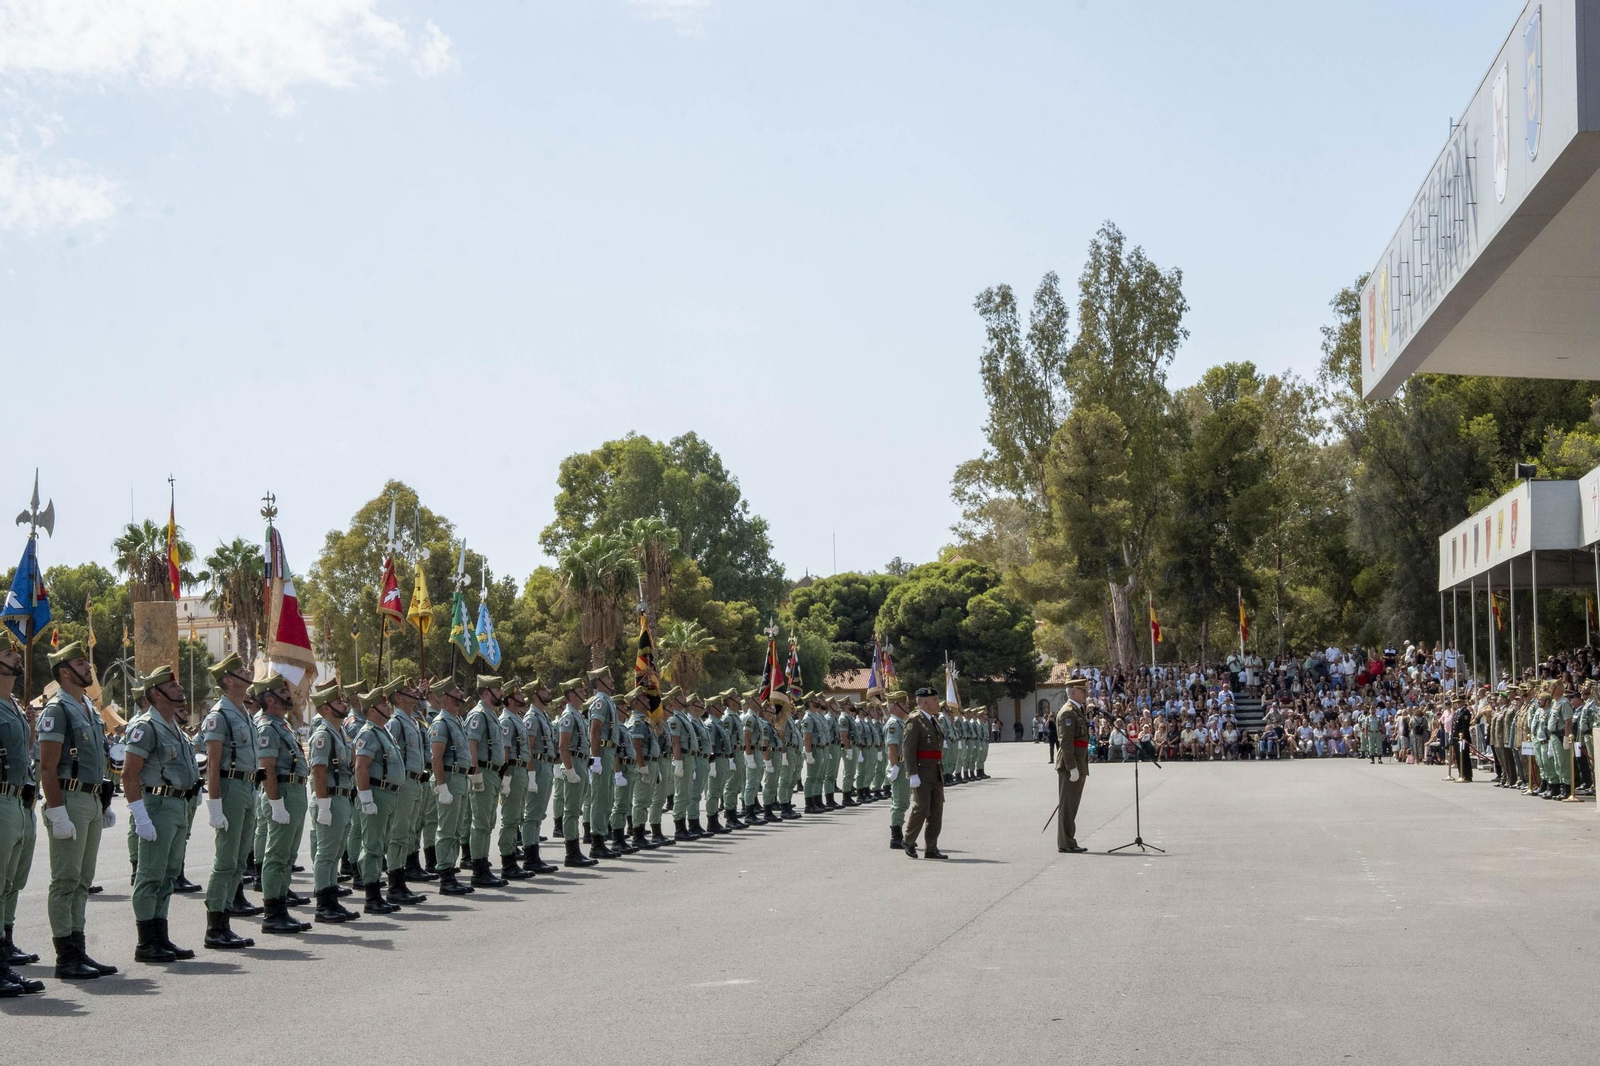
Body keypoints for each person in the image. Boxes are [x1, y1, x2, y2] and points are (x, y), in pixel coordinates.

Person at [37, 641, 118, 979]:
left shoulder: (87, 706)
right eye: (81, 664)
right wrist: (57, 812)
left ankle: (78, 948)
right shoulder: (57, 710)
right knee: (65, 880)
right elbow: (47, 767)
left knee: (83, 881)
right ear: (65, 672)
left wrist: (103, 801)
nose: (89, 668)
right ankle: (66, 957)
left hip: (91, 799)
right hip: (68, 799)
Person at [199, 652, 260, 951]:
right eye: (241, 670)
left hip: (247, 787)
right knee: (225, 860)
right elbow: (213, 764)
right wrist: (214, 805)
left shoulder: (243, 712)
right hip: (230, 787)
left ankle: (225, 920)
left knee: (238, 862)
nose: (247, 672)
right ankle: (215, 926)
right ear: (228, 680)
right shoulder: (219, 715)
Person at [0, 639, 44, 996]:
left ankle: (4, 953)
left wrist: (29, 728)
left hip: (19, 799)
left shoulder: (12, 704)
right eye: (8, 654)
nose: (17, 657)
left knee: (9, 885)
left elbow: (21, 754)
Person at [252, 674, 312, 936]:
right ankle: (272, 913)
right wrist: (276, 803)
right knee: (276, 856)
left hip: (294, 790)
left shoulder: (282, 725)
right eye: (283, 692)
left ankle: (281, 908)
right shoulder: (267, 727)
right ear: (270, 699)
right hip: (283, 792)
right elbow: (267, 768)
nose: (289, 695)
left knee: (287, 856)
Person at [306, 680, 360, 924]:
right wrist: (323, 804)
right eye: (338, 701)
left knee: (336, 852)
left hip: (343, 796)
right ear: (326, 708)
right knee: (326, 853)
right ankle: (323, 904)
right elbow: (318, 770)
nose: (344, 704)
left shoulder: (340, 733)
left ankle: (332, 899)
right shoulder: (323, 734)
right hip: (329, 797)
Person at [352, 688, 406, 914]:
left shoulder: (383, 732)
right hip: (376, 793)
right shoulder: (368, 733)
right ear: (372, 710)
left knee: (381, 844)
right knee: (373, 846)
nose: (388, 707)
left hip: (389, 794)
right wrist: (366, 797)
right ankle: (371, 897)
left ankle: (376, 894)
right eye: (383, 705)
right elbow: (361, 766)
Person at [426, 678, 475, 895]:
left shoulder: (456, 720)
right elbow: (436, 758)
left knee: (456, 830)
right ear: (446, 697)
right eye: (456, 691)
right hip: (449, 778)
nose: (461, 693)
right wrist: (442, 786)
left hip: (460, 778)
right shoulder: (441, 723)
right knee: (446, 829)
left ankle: (450, 872)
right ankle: (445, 877)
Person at [462, 675, 510, 886]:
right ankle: (478, 870)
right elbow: (471, 743)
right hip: (484, 771)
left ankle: (483, 865)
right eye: (498, 690)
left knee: (488, 822)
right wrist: (476, 773)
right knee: (481, 823)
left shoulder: (491, 714)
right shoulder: (478, 715)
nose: (501, 693)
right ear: (486, 692)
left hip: (493, 772)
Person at [556, 677, 598, 866]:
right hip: (573, 762)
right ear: (571, 694)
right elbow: (563, 745)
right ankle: (571, 853)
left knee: (576, 809)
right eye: (581, 691)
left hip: (580, 762)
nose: (584, 693)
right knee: (572, 810)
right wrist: (569, 769)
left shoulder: (577, 715)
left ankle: (575, 851)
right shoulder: (568, 716)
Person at [901, 688, 947, 860]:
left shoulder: (933, 720)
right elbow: (908, 749)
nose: (937, 702)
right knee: (921, 808)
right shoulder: (914, 720)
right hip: (921, 772)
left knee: (936, 811)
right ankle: (908, 841)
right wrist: (912, 773)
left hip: (936, 771)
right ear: (925, 702)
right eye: (935, 699)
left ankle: (931, 848)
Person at [1054, 678, 1091, 854]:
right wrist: (1071, 767)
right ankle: (1066, 842)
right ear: (1073, 692)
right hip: (1071, 763)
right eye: (1082, 691)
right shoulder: (1068, 712)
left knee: (1072, 805)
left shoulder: (1076, 710)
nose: (1085, 694)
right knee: (1068, 805)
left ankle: (1069, 840)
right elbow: (1066, 742)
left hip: (1078, 761)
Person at [883, 690, 909, 850]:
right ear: (895, 706)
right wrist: (894, 767)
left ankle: (899, 834)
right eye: (903, 703)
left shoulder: (901, 722)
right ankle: (896, 837)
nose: (907, 706)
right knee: (899, 802)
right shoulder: (894, 723)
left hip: (903, 765)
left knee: (903, 801)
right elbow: (892, 747)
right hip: (898, 765)